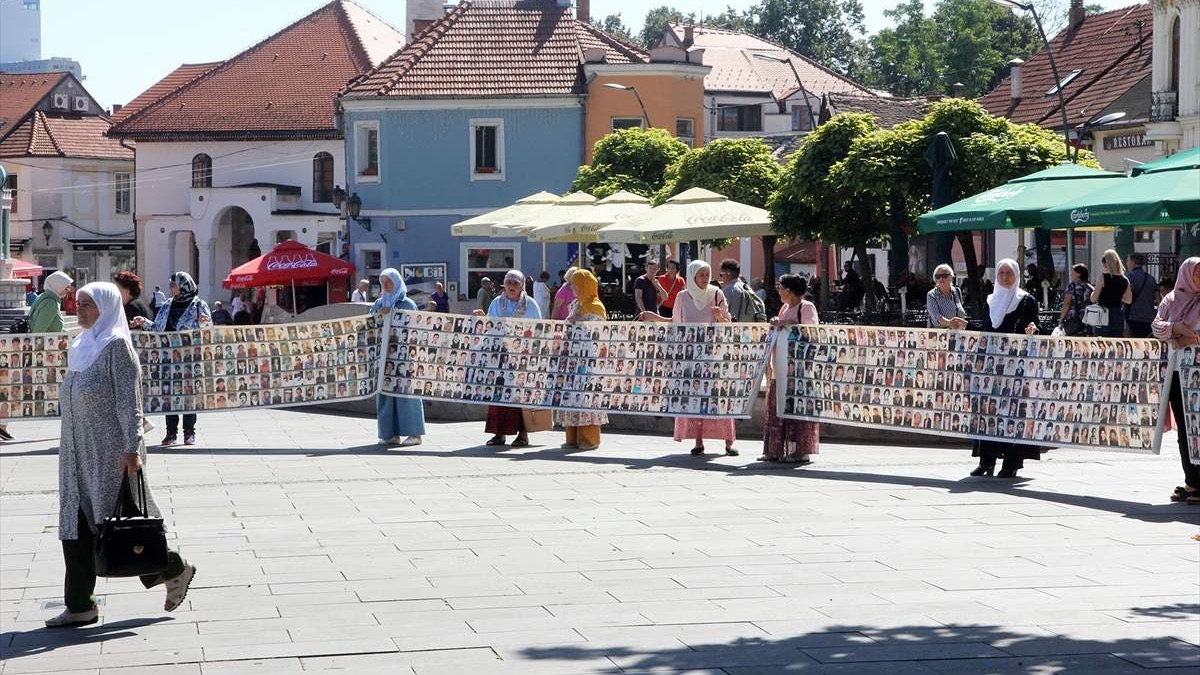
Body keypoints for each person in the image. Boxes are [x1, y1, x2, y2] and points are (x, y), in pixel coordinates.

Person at [46, 281, 195, 628]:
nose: (79, 309)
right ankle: (80, 603)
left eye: (88, 304)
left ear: (107, 308)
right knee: (75, 525)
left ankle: (173, 567)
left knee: (115, 526)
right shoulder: (81, 344)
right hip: (75, 450)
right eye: (78, 302)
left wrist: (132, 449)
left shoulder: (117, 348)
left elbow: (131, 403)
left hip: (110, 451)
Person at [641, 260, 737, 456]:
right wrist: (654, 317)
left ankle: (729, 442)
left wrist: (719, 316)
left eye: (707, 274)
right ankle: (698, 441)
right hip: (691, 356)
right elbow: (675, 323)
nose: (705, 279)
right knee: (695, 396)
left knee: (719, 396)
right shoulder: (682, 296)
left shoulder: (716, 294)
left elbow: (728, 322)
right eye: (701, 275)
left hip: (713, 354)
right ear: (693, 276)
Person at [971, 258, 1040, 479]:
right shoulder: (991, 300)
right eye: (1001, 273)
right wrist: (965, 327)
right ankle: (987, 461)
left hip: (1016, 368)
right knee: (989, 412)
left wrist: (1032, 330)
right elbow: (986, 332)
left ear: (1017, 275)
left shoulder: (1026, 300)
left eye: (1009, 273)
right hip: (993, 367)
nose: (1005, 277)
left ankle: (1012, 463)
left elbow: (1035, 326)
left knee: (1013, 414)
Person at [131, 272, 211, 446]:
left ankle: (189, 432)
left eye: (172, 285)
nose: (170, 288)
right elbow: (157, 328)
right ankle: (171, 433)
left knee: (188, 395)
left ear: (182, 286)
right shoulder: (167, 304)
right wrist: (143, 321)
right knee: (170, 394)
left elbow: (208, 330)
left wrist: (204, 323)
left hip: (189, 358)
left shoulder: (198, 305)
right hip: (168, 357)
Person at [1152, 257, 1200, 505]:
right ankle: (1192, 480)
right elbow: (1157, 327)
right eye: (1197, 274)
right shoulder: (1170, 299)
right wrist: (1178, 329)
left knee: (1198, 428)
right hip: (1175, 371)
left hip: (1197, 372)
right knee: (1185, 428)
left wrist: (1187, 338)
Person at [474, 270, 542, 447]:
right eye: (509, 283)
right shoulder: (497, 302)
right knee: (499, 395)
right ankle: (499, 433)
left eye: (515, 283)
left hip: (522, 358)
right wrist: (483, 319)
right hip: (501, 356)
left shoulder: (531, 305)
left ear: (522, 286)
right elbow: (490, 325)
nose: (511, 286)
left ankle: (523, 434)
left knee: (520, 396)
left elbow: (539, 330)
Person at [762, 274, 819, 464]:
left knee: (796, 409)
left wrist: (786, 323)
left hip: (798, 369)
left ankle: (800, 451)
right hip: (781, 365)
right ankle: (774, 450)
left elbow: (811, 330)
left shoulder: (806, 307)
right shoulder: (785, 308)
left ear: (789, 290)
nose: (779, 291)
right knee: (777, 406)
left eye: (781, 288)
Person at [372, 269, 424, 446]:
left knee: (406, 395)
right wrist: (381, 316)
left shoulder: (407, 303)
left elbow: (416, 327)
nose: (386, 285)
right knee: (385, 394)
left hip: (404, 356)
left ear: (396, 282)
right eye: (383, 282)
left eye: (389, 282)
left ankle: (414, 433)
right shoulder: (379, 303)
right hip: (384, 357)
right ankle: (389, 434)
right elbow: (368, 326)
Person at [558, 270, 607, 450]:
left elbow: (597, 334)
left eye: (576, 284)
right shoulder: (575, 304)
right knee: (571, 399)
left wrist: (577, 322)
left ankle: (589, 439)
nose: (573, 288)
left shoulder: (596, 307)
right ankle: (572, 438)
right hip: (572, 359)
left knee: (586, 400)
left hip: (588, 362)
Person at [1090, 249, 1132, 338]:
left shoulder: (1103, 278)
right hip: (1118, 315)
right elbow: (1129, 300)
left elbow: (1093, 298)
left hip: (1102, 314)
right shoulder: (1125, 280)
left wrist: (1092, 293)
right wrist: (1118, 297)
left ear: (1106, 263)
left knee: (1101, 344)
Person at [1126, 253, 1158, 338]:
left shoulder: (1129, 277)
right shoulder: (1151, 279)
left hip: (1133, 317)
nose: (1127, 264)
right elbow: (1158, 299)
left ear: (1133, 262)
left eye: (1128, 261)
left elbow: (1126, 297)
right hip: (1149, 318)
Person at [926, 264, 967, 329]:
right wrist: (950, 323)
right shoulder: (931, 295)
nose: (941, 278)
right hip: (939, 335)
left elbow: (961, 312)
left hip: (957, 333)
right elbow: (936, 317)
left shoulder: (957, 291)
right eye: (938, 276)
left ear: (951, 277)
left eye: (944, 275)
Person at [1058, 263, 1093, 336]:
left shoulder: (1072, 286)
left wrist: (1061, 320)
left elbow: (1067, 304)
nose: (1071, 274)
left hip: (1073, 319)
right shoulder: (1091, 288)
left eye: (1073, 272)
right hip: (1088, 321)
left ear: (1079, 274)